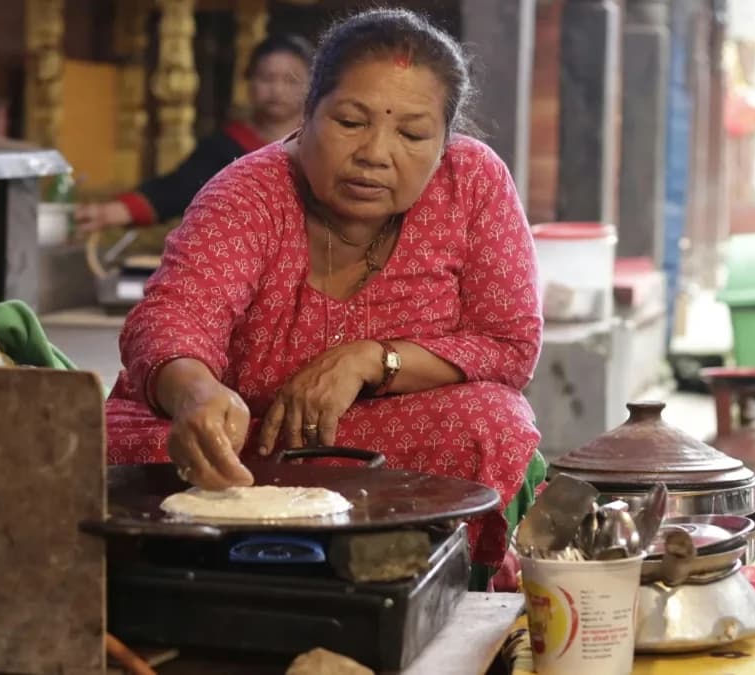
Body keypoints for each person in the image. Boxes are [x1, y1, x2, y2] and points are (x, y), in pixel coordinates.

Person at [105, 8, 544, 584]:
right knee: (106, 450)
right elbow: (173, 318)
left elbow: (509, 343)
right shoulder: (246, 194)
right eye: (351, 121)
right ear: (307, 113)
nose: (376, 153)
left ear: (443, 143)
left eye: (411, 134)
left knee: (491, 421)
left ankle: (429, 576)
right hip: (243, 447)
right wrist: (196, 396)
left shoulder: (473, 182)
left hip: (380, 440)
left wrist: (373, 359)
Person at [75, 34, 315, 232]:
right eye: (266, 78)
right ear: (249, 82)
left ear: (311, 86)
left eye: (290, 80)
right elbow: (179, 187)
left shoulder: (320, 146)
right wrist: (119, 210)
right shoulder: (225, 147)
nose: (277, 90)